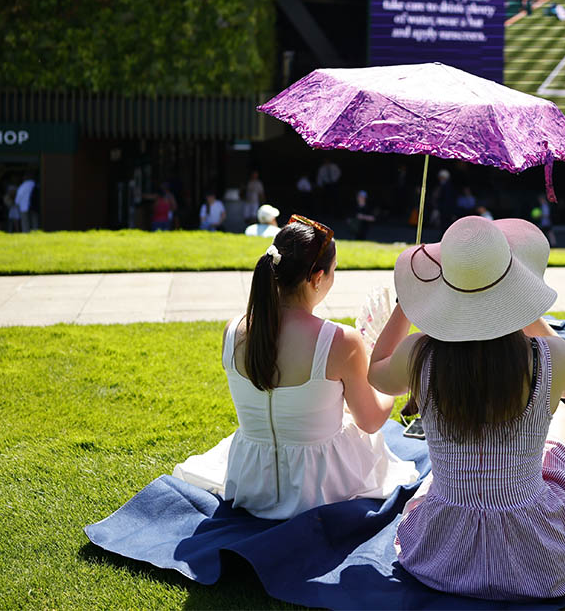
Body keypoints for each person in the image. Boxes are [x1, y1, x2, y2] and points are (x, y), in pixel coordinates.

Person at [368, 217, 565, 600]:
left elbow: (376, 373)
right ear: (514, 280)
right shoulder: (552, 356)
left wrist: (407, 306)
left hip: (442, 546)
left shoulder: (420, 354)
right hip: (537, 546)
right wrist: (524, 308)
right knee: (561, 418)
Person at [175, 216, 419, 519]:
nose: (333, 278)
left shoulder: (232, 329)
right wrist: (383, 376)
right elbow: (371, 421)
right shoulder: (341, 341)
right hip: (317, 488)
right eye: (334, 271)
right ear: (317, 277)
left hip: (250, 481)